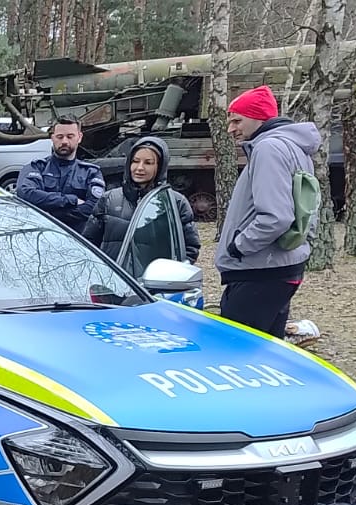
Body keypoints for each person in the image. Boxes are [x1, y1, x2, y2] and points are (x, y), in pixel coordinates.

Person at [215, 85, 317, 339]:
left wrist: (239, 246)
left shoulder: (268, 148)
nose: (231, 129)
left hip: (259, 271)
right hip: (282, 267)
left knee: (237, 349)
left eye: (237, 120)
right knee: (266, 349)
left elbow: (276, 217)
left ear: (258, 117)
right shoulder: (294, 148)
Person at [81, 136, 201, 266]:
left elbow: (190, 248)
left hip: (155, 278)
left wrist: (173, 273)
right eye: (135, 161)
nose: (139, 168)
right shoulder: (108, 199)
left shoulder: (175, 203)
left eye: (148, 163)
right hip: (113, 276)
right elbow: (89, 243)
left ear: (160, 166)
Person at [16, 116, 106, 231]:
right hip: (41, 235)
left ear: (79, 137)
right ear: (52, 138)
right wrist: (71, 200)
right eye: (60, 137)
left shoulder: (91, 172)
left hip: (77, 238)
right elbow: (25, 193)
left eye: (70, 136)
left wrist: (49, 213)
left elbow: (94, 208)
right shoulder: (37, 167)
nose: (64, 141)